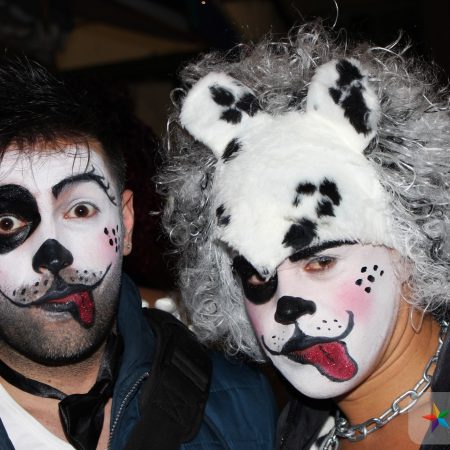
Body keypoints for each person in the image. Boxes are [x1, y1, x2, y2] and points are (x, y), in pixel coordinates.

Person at [159, 22, 450, 449]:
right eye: (258, 276)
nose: (285, 307)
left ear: (414, 244)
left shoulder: (441, 418)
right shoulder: (298, 433)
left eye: (320, 261)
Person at [0, 54, 277, 450]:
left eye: (80, 210)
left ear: (125, 224)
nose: (55, 256)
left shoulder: (238, 405)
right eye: (7, 223)